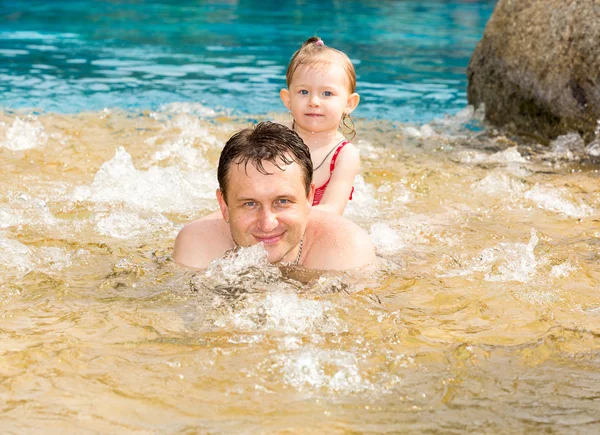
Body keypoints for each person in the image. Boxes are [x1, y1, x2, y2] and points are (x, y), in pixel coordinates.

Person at [173, 122, 376, 271]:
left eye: (283, 201)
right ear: (224, 206)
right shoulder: (198, 245)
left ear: (308, 199)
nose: (267, 224)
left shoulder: (345, 251)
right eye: (250, 204)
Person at [280, 36, 361, 215]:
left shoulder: (345, 156)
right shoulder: (275, 138)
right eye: (303, 92)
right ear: (288, 99)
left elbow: (331, 211)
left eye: (327, 93)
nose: (314, 101)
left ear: (349, 103)